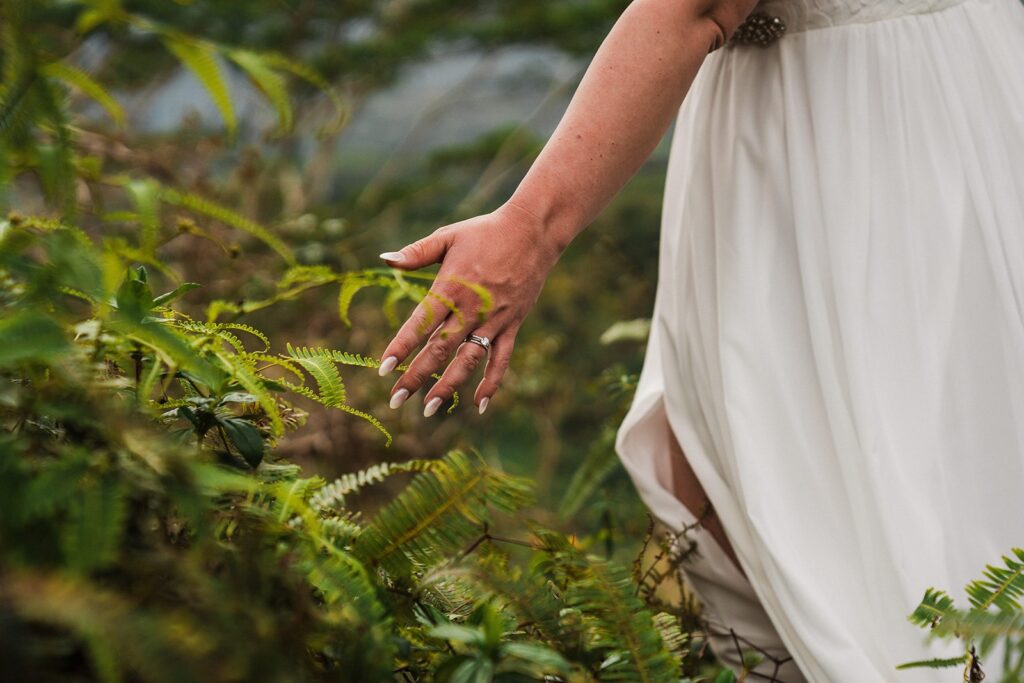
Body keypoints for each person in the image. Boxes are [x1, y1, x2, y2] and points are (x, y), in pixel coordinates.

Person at [376, 0, 1024, 679]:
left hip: (875, 142)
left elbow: (695, 8)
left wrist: (529, 230)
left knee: (897, 507)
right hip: (809, 135)